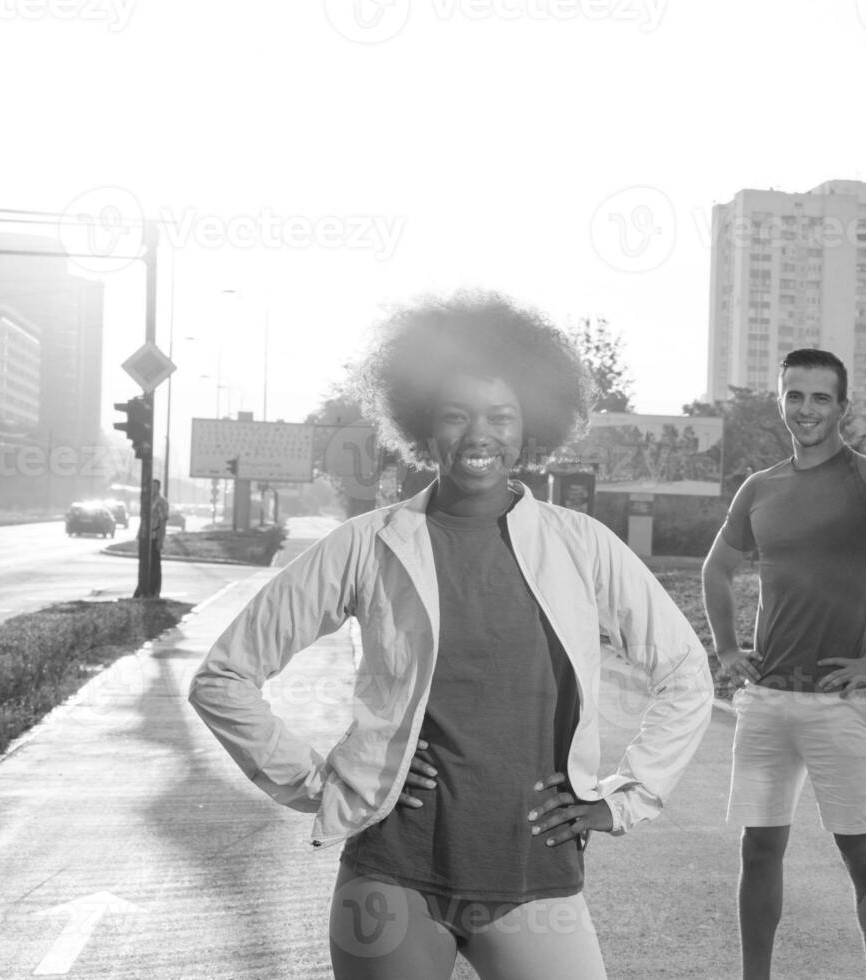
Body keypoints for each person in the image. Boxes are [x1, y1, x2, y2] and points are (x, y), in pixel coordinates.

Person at [188, 292, 714, 980]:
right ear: (421, 428)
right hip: (392, 874)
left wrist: (623, 799)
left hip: (535, 874)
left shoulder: (581, 546)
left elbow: (684, 673)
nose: (479, 435)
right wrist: (321, 784)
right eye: (455, 415)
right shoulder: (368, 545)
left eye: (501, 416)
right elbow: (222, 677)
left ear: (531, 428)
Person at [702, 348, 866, 980]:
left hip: (838, 704)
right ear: (780, 401)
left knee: (863, 856)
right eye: (794, 395)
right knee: (760, 849)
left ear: (842, 407)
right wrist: (724, 648)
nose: (806, 409)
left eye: (820, 398)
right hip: (768, 699)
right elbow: (717, 569)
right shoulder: (761, 486)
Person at [136, 478, 170, 598]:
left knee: (155, 564)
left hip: (155, 535)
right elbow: (143, 518)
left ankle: (155, 590)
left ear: (158, 488)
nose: (152, 488)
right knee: (143, 562)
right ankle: (142, 588)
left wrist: (161, 539)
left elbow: (162, 522)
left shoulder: (162, 502)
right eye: (151, 486)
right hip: (144, 535)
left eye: (155, 486)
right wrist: (139, 533)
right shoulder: (146, 501)